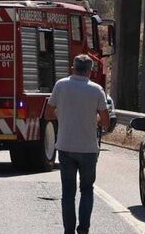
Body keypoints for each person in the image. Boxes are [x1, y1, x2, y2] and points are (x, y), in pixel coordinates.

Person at [45, 54, 110, 234]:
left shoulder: (61, 85)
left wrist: (63, 115)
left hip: (65, 147)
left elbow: (48, 114)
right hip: (88, 149)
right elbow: (105, 121)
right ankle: (83, 229)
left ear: (72, 68)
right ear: (90, 71)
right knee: (87, 190)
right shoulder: (96, 90)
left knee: (68, 193)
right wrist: (93, 119)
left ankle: (68, 231)